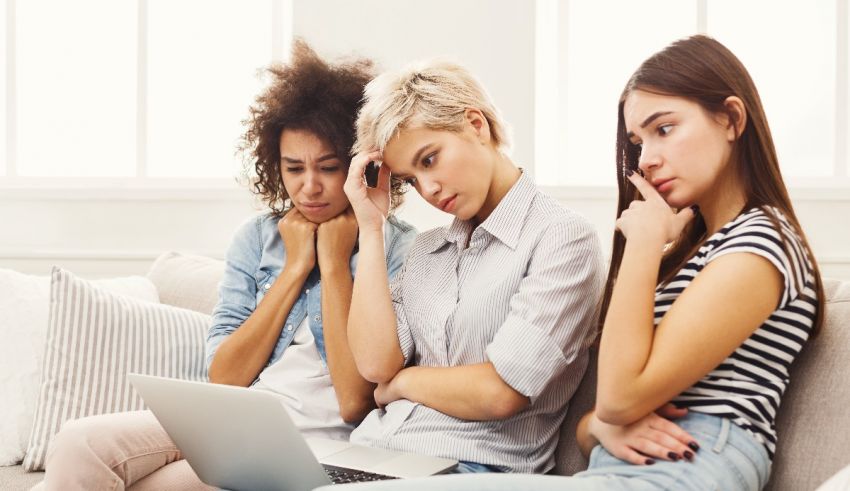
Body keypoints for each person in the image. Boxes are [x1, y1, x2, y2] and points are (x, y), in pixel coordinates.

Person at [323, 34, 825, 491]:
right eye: (637, 142)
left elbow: (615, 397)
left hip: (692, 461)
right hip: (617, 461)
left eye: (665, 129)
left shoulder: (758, 243)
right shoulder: (699, 248)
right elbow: (605, 415)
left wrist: (404, 383)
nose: (646, 158)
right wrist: (371, 226)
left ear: (731, 119)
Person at [33, 40, 415, 491]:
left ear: (361, 165)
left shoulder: (397, 250)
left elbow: (355, 402)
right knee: (78, 443)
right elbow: (226, 377)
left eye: (328, 168)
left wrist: (333, 265)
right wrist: (295, 269)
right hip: (240, 422)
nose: (309, 187)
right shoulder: (257, 239)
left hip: (326, 443)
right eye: (293, 168)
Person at [337, 58, 605, 475]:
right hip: (373, 452)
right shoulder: (426, 251)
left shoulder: (563, 238)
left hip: (471, 467)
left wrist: (404, 383)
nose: (427, 189)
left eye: (429, 160)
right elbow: (375, 367)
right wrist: (371, 229)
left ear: (476, 125)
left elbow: (501, 392)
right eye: (409, 179)